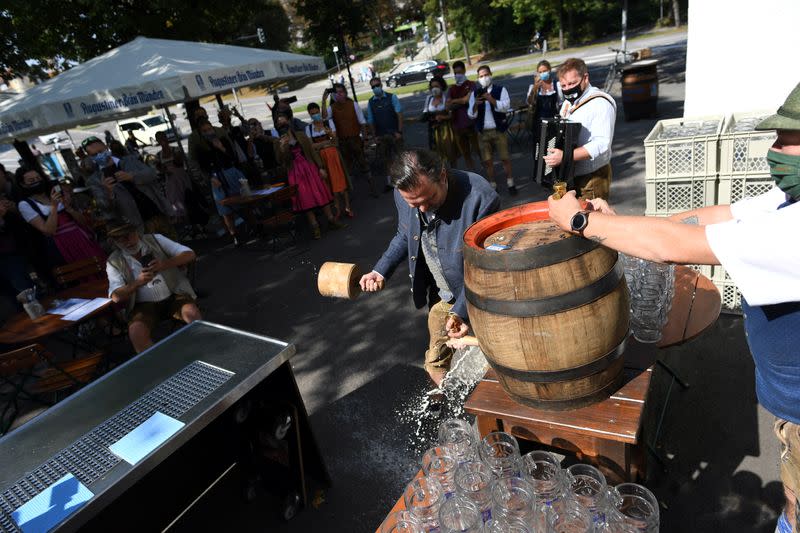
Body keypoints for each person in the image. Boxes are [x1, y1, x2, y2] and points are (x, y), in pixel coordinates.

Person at [547, 82, 800, 533]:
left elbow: (673, 246)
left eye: (787, 139)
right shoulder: (785, 201)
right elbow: (710, 217)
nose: (774, 147)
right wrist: (613, 222)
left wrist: (581, 222)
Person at [359, 149, 500, 386]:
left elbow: (486, 268)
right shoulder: (404, 191)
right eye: (413, 204)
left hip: (481, 296)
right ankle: (439, 403)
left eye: (429, 199)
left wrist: (462, 311)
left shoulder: (480, 196)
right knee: (435, 360)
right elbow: (405, 234)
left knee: (495, 362)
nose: (422, 209)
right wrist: (380, 269)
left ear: (443, 176)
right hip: (443, 296)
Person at [105, 220, 201, 353]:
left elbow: (190, 254)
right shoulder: (114, 260)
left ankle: (204, 350)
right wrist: (137, 282)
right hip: (143, 306)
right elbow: (116, 296)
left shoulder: (155, 240)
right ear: (114, 242)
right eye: (120, 240)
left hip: (174, 295)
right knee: (136, 332)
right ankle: (160, 368)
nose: (127, 242)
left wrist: (164, 264)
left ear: (136, 232)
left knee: (192, 313)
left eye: (128, 235)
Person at [543, 57, 616, 200]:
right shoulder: (568, 103)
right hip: (571, 177)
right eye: (563, 86)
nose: (568, 89)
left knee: (593, 220)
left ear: (585, 78)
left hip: (592, 178)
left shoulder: (600, 103)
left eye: (572, 83)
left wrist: (565, 156)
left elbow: (602, 144)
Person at [82, 136, 175, 238]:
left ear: (106, 147)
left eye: (101, 151)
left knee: (177, 248)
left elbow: (152, 174)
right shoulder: (95, 180)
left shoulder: (129, 160)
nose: (100, 155)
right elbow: (105, 208)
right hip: (135, 227)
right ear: (90, 157)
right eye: (94, 154)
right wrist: (108, 193)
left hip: (158, 213)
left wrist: (132, 176)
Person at [275, 112, 346, 239]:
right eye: (279, 124)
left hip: (309, 168)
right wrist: (282, 147)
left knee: (320, 194)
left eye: (284, 123)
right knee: (305, 199)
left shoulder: (301, 136)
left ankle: (331, 220)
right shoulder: (277, 142)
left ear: (289, 123)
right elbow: (280, 161)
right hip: (295, 173)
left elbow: (312, 152)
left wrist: (320, 167)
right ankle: (315, 226)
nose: (283, 126)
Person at [16, 166, 105, 267]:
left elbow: (84, 222)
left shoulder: (55, 194)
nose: (37, 181)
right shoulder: (25, 205)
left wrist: (69, 208)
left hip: (80, 238)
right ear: (23, 184)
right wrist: (54, 206)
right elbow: (49, 231)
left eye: (38, 178)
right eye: (31, 180)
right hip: (62, 245)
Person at [192, 118, 248, 246]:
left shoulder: (223, 140)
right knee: (225, 210)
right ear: (201, 134)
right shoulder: (200, 148)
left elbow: (233, 157)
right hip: (216, 177)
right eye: (205, 131)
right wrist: (211, 178)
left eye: (209, 129)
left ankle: (254, 226)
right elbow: (203, 168)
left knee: (244, 201)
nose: (208, 132)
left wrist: (221, 148)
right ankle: (234, 235)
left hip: (231, 172)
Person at [468, 65, 517, 196]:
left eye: (486, 75)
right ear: (478, 78)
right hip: (483, 132)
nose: (484, 78)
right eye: (481, 76)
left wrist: (491, 100)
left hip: (499, 129)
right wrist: (475, 106)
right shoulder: (475, 93)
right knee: (487, 160)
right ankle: (493, 185)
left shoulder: (500, 90)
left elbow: (506, 107)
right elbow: (471, 115)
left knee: (505, 158)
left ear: (490, 74)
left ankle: (510, 182)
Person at [322, 83, 376, 196]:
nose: (339, 95)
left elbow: (362, 122)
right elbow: (324, 117)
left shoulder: (353, 104)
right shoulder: (332, 107)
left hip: (355, 139)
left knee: (363, 164)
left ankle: (372, 187)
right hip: (342, 142)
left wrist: (365, 140)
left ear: (345, 93)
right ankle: (350, 193)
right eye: (336, 93)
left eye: (341, 92)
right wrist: (323, 100)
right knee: (347, 168)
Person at [154, 131, 208, 238]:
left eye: (163, 138)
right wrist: (163, 169)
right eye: (159, 139)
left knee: (188, 200)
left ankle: (197, 225)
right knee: (177, 203)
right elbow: (158, 169)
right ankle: (189, 226)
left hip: (182, 178)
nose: (162, 141)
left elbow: (180, 163)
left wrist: (174, 156)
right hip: (171, 182)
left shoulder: (175, 149)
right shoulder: (158, 155)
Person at [306, 103, 353, 219]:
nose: (315, 115)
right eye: (312, 114)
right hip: (321, 159)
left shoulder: (328, 123)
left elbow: (335, 141)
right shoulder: (309, 128)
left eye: (317, 112)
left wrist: (328, 138)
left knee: (341, 182)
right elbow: (311, 146)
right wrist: (326, 142)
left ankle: (347, 207)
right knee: (330, 184)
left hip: (333, 156)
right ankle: (337, 209)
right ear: (310, 115)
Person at [526, 60, 563, 183]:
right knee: (539, 149)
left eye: (545, 71)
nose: (543, 74)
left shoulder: (556, 85)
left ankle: (554, 174)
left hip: (553, 121)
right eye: (540, 72)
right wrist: (535, 89)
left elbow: (561, 102)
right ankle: (540, 175)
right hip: (539, 122)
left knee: (553, 147)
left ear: (549, 70)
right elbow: (529, 102)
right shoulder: (534, 87)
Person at [365, 77, 404, 192]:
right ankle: (390, 182)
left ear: (381, 85)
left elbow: (399, 114)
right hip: (381, 135)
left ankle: (404, 179)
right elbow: (371, 120)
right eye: (373, 87)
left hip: (394, 133)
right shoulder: (371, 102)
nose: (375, 88)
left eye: (377, 85)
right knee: (386, 159)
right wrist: (374, 136)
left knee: (400, 156)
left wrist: (399, 131)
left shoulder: (392, 97)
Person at [446, 61, 480, 171]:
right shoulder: (451, 88)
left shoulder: (471, 84)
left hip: (471, 123)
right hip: (457, 125)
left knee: (478, 149)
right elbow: (447, 105)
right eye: (455, 73)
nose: (457, 75)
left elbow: (467, 100)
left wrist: (454, 101)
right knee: (465, 153)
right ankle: (472, 172)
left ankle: (487, 170)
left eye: (459, 72)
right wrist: (461, 101)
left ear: (464, 71)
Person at [423, 77, 458, 168]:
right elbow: (425, 113)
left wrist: (443, 117)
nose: (434, 88)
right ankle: (443, 175)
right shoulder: (429, 98)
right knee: (436, 154)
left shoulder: (446, 98)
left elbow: (451, 115)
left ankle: (454, 173)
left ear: (442, 87)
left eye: (437, 86)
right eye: (432, 87)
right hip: (433, 129)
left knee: (450, 152)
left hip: (446, 129)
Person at [246, 118, 283, 184]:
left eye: (254, 124)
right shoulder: (251, 141)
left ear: (260, 124)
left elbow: (278, 141)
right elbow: (250, 154)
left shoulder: (271, 132)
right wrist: (250, 140)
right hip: (266, 171)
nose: (253, 127)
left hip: (278, 167)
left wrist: (261, 136)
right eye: (250, 126)